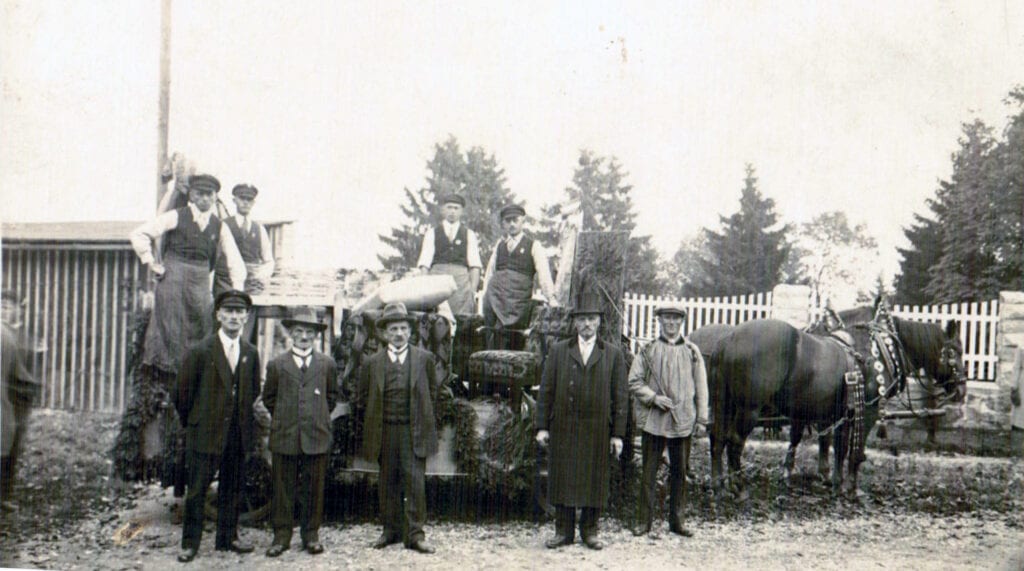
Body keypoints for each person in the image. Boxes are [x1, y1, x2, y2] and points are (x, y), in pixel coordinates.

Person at [173, 290, 261, 563]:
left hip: (237, 433)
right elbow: (181, 394)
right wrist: (196, 422)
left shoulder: (250, 352)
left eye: (239, 312)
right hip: (206, 432)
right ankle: (190, 543)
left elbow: (252, 392)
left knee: (232, 487)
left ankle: (228, 537)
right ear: (218, 315)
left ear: (246, 317)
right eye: (229, 311)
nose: (234, 317)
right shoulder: (201, 351)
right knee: (198, 489)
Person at [535, 294, 627, 550]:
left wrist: (617, 434)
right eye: (582, 319)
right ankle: (563, 531)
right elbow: (546, 391)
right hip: (564, 425)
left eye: (592, 318)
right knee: (563, 476)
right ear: (575, 323)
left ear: (598, 322)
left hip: (598, 428)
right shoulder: (558, 351)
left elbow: (621, 398)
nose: (587, 324)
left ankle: (590, 531)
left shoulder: (612, 354)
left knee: (594, 478)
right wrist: (542, 426)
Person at [130, 174, 247, 374]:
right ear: (191, 195)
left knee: (203, 323)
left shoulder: (220, 226)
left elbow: (236, 263)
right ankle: (167, 379)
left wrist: (237, 295)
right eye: (199, 194)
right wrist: (151, 263)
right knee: (171, 328)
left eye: (209, 195)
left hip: (200, 282)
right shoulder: (177, 215)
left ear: (214, 197)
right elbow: (139, 234)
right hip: (173, 279)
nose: (204, 199)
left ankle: (194, 377)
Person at [358, 302, 439, 554]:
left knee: (415, 482)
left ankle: (415, 534)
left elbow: (433, 393)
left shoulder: (424, 359)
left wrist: (422, 421)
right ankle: (390, 530)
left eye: (403, 328)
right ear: (384, 333)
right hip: (384, 431)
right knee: (387, 482)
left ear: (410, 331)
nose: (399, 333)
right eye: (393, 329)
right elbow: (361, 398)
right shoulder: (372, 363)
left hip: (412, 431)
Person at [628, 302, 708, 538]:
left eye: (675, 319)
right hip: (654, 422)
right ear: (660, 321)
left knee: (679, 473)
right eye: (666, 319)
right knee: (648, 473)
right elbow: (634, 381)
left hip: (682, 422)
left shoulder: (692, 352)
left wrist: (702, 419)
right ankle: (644, 521)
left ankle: (677, 521)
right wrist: (654, 398)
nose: (671, 323)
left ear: (681, 322)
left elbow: (701, 388)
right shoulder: (648, 351)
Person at [263, 307, 339, 557]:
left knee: (313, 488)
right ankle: (281, 536)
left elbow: (331, 398)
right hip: (286, 434)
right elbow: (269, 399)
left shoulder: (327, 364)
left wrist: (314, 418)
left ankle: (311, 535)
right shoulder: (277, 365)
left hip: (316, 435)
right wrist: (287, 418)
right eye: (299, 331)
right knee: (282, 488)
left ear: (316, 336)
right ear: (291, 334)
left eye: (309, 332)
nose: (304, 336)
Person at [481, 203, 558, 349]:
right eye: (507, 221)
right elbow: (489, 274)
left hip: (519, 300)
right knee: (493, 335)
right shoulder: (499, 246)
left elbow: (543, 273)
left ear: (523, 220)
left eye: (515, 220)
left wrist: (551, 298)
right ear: (503, 224)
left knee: (513, 338)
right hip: (496, 298)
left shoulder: (533, 245)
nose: (511, 224)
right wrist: (486, 297)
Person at [1, 290, 40, 513]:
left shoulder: (29, 335)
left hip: (20, 395)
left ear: (19, 308)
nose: (4, 308)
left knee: (12, 445)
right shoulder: (4, 333)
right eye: (1, 304)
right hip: (5, 391)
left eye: (9, 304)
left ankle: (5, 493)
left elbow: (33, 366)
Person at [415, 193, 483, 315]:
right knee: (437, 316)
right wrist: (424, 286)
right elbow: (425, 263)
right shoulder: (432, 233)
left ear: (461, 211)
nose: (452, 211)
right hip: (436, 281)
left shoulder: (469, 234)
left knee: (461, 317)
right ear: (443, 210)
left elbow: (475, 266)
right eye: (449, 207)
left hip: (460, 283)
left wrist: (472, 291)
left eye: (456, 208)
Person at [214, 183, 275, 300]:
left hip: (251, 285)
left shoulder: (259, 229)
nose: (245, 202)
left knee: (248, 315)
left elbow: (269, 260)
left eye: (249, 199)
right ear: (234, 200)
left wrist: (259, 276)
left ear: (253, 203)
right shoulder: (223, 225)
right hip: (226, 282)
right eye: (242, 198)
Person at [1010, 338, 1024, 457]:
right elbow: (1016, 367)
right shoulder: (1022, 345)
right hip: (1023, 385)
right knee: (1020, 417)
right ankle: (1018, 451)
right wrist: (1014, 387)